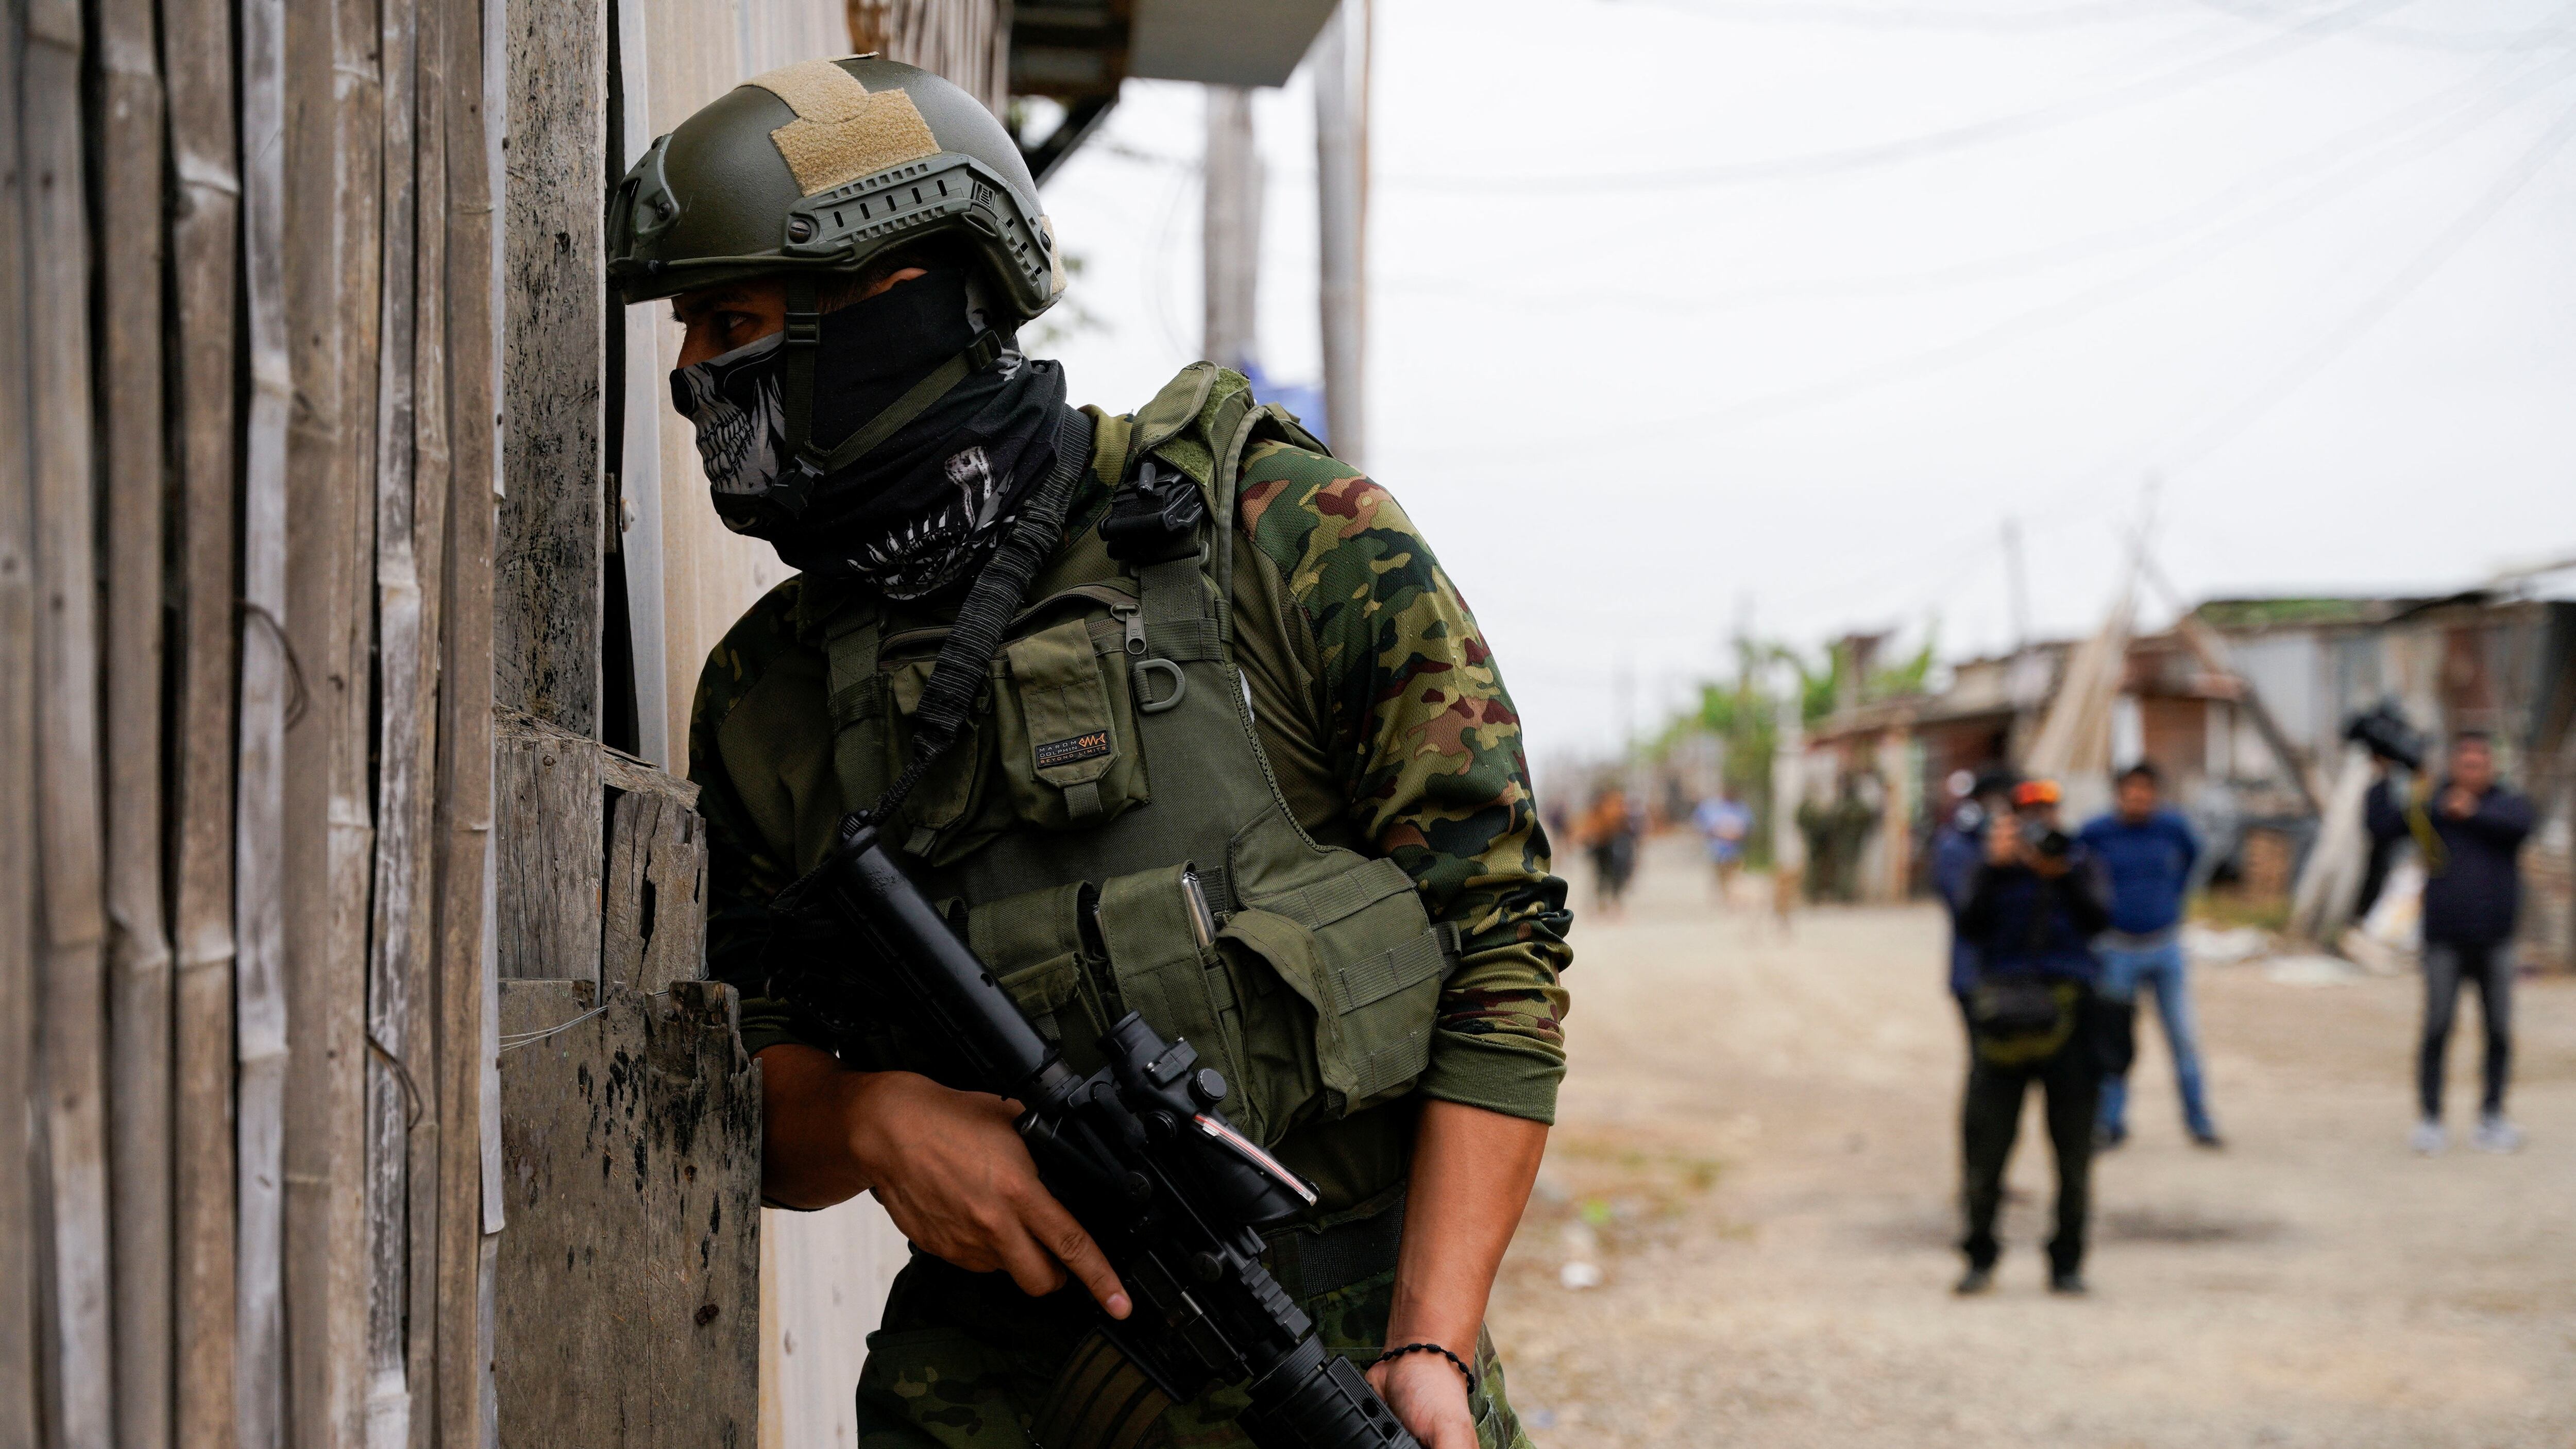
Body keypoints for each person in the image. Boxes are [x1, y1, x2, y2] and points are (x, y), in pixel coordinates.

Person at [609, 57, 1566, 1448]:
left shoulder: (1284, 534)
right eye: (691, 331)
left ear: (901, 303)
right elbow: (743, 1084)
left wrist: (1433, 1337)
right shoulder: (772, 695)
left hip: (1347, 1372)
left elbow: (1500, 937)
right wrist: (875, 1117)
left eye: (734, 322)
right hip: (996, 1400)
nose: (696, 381)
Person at [1953, 779, 2110, 1297]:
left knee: (2072, 1154)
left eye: (2047, 811)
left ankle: (2066, 1261)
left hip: (2069, 1022)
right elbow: (1967, 925)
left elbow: (2099, 919)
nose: (2039, 823)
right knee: (1984, 1150)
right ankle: (1979, 1253)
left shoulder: (2078, 860)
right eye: (2028, 814)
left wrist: (2059, 874)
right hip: (2001, 1022)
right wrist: (1993, 867)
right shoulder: (1992, 867)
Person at [2366, 732, 2536, 1155]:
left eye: (2481, 763)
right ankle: (2430, 1120)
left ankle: (2492, 1117)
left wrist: (2474, 812)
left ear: (2491, 768)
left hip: (2495, 941)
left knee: (2497, 1030)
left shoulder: (2507, 805)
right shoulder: (2433, 807)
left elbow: (2521, 825)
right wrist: (2382, 777)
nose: (2472, 770)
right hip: (2444, 940)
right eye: (2466, 763)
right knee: (2437, 1028)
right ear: (2454, 766)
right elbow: (2381, 826)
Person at [2078, 761, 2218, 1149]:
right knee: (2114, 1041)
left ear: (2156, 794)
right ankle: (2109, 1123)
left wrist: (2173, 898)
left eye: (2146, 791)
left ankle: (2199, 1120)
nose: (2139, 798)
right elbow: (2079, 875)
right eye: (2131, 790)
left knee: (2183, 1039)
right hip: (2116, 950)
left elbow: (2192, 859)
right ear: (2119, 794)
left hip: (2165, 947)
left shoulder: (2172, 827)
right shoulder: (2096, 832)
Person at [1932, 769, 2016, 1035]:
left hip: (2025, 974)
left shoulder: (2025, 845)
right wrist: (1995, 866)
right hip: (1977, 975)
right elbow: (1967, 910)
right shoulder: (1956, 846)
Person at [1580, 785, 1639, 917]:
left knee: (1615, 876)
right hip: (1601, 847)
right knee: (1602, 876)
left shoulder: (1618, 809)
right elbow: (1589, 829)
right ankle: (1603, 904)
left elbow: (1628, 829)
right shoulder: (1598, 812)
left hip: (1613, 846)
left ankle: (1614, 903)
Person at [1691, 788, 1752, 905]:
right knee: (1720, 874)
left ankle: (1731, 897)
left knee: (1734, 874)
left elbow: (1748, 826)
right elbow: (1702, 824)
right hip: (1717, 849)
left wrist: (1736, 834)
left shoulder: (1741, 808)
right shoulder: (1711, 807)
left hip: (1736, 849)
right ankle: (1724, 896)